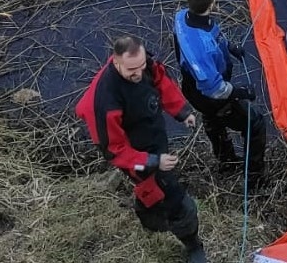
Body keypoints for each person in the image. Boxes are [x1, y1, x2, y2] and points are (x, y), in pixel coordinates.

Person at [75, 36, 207, 263]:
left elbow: (161, 83)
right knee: (177, 202)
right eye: (131, 70)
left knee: (155, 192)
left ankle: (148, 212)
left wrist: (182, 112)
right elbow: (115, 152)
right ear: (116, 62)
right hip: (136, 157)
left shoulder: (145, 65)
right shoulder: (106, 101)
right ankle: (193, 245)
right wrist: (153, 161)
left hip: (154, 137)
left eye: (141, 66)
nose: (138, 73)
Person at [173, 0, 267, 179]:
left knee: (213, 119)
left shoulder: (181, 17)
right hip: (208, 94)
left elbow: (212, 32)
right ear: (211, 5)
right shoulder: (202, 50)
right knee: (255, 124)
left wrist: (230, 47)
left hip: (190, 87)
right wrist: (242, 92)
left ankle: (226, 163)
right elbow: (214, 89)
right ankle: (254, 175)